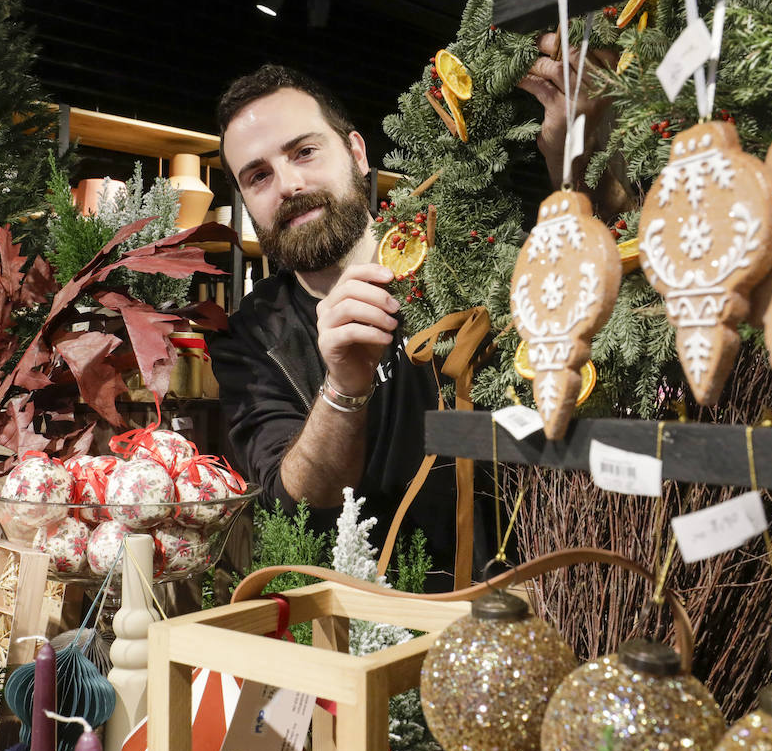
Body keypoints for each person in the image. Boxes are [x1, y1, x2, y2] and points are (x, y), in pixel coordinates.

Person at [209, 42, 612, 588]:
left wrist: (581, 165)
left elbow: (601, 316)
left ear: (355, 152)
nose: (289, 185)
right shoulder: (253, 335)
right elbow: (296, 503)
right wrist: (344, 388)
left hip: (529, 592)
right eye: (258, 176)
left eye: (304, 152)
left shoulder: (464, 244)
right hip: (373, 625)